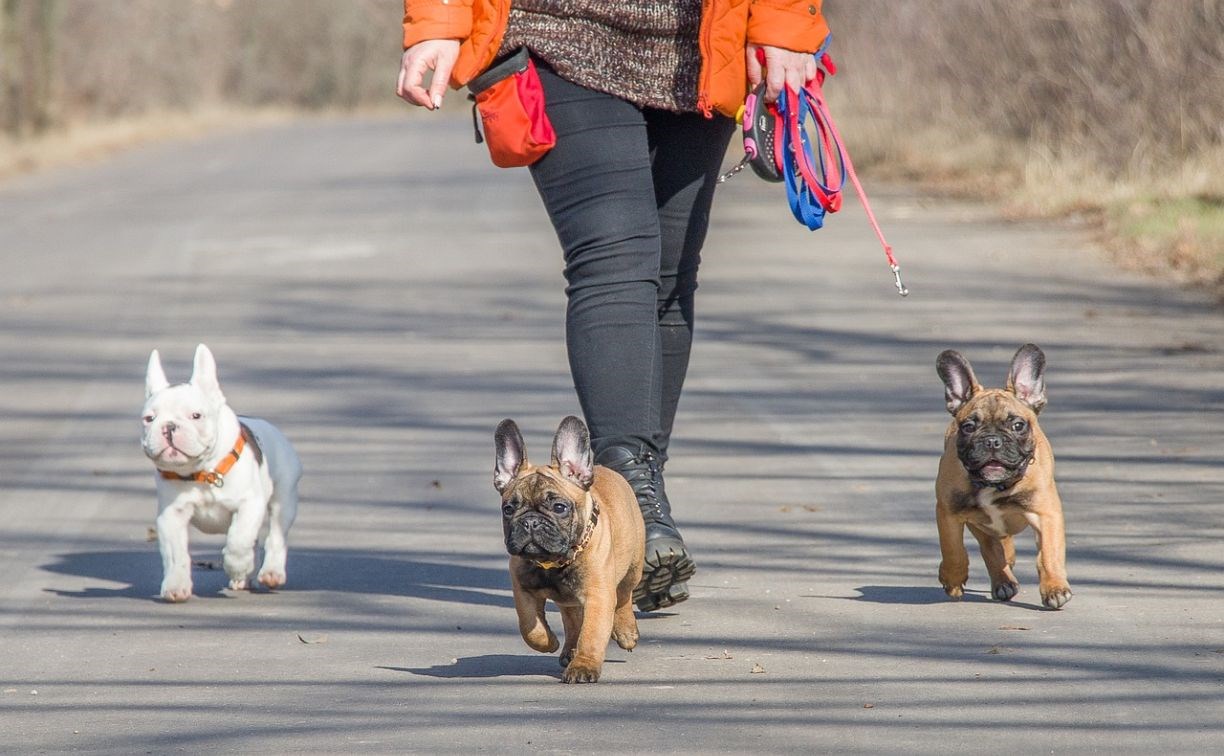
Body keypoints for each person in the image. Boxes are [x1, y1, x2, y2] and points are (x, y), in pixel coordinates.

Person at [397, 1, 829, 612]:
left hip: (700, 47)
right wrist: (437, 22)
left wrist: (785, 25)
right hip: (555, 32)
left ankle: (631, 508)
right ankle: (638, 505)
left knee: (670, 274)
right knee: (614, 255)